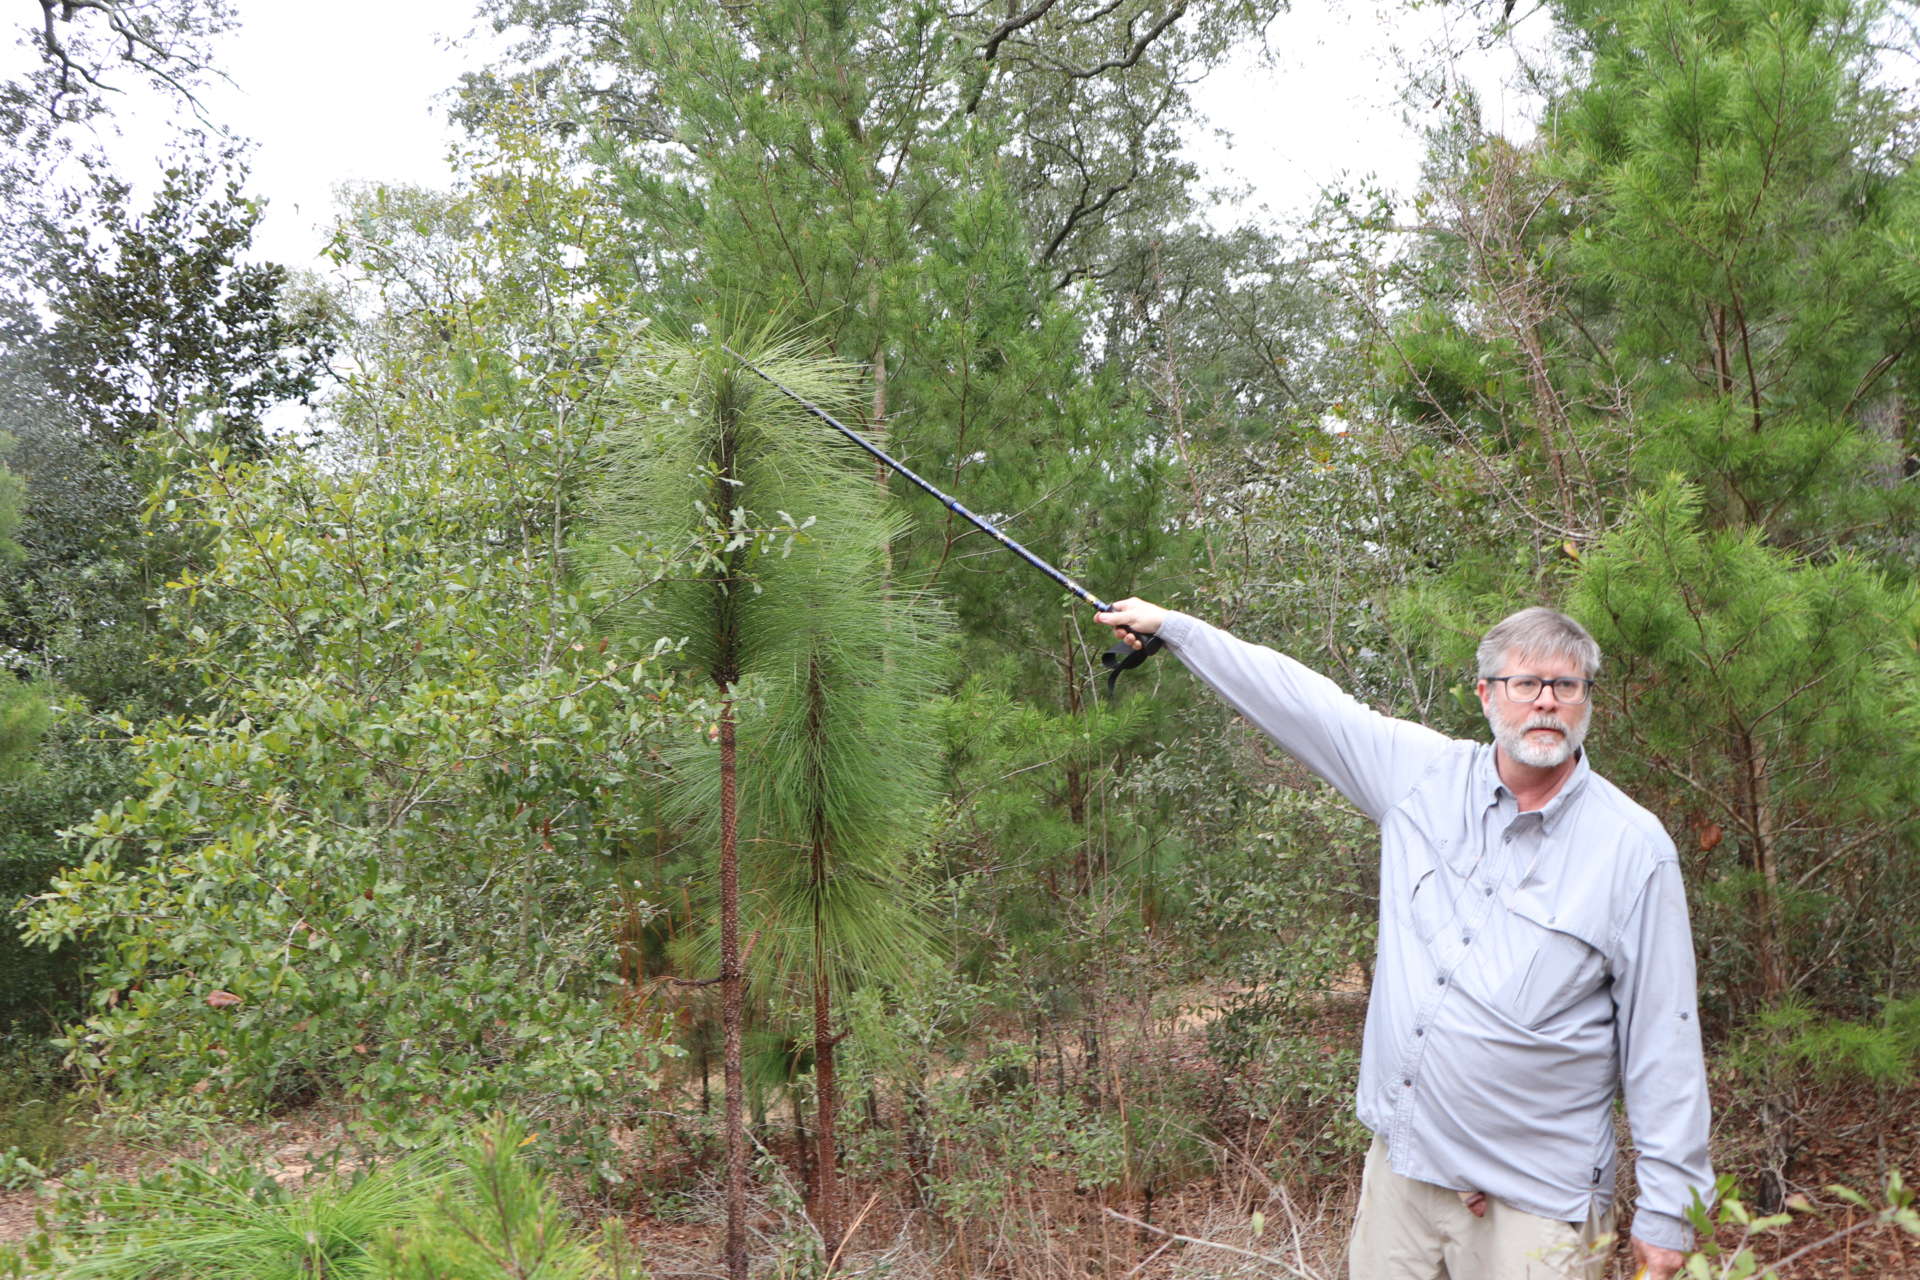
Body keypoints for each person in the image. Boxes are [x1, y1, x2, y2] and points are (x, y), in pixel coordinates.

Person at [1096, 600, 1713, 1280]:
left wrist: (1666, 1217)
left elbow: (1665, 1041)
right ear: (1486, 693)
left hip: (1533, 1203)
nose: (1546, 703)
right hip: (1406, 1177)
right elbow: (1304, 704)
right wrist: (1178, 631)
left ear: (1587, 699)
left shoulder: (1632, 849)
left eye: (1566, 687)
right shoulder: (1422, 778)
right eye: (1526, 684)